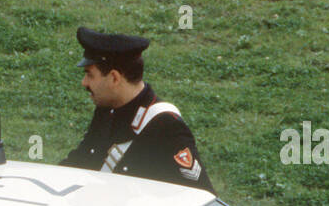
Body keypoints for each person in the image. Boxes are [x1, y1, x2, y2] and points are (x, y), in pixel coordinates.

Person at [61, 26, 214, 193]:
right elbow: (79, 162)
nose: (84, 82)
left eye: (89, 74)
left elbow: (199, 196)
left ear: (114, 78)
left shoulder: (165, 125)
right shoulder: (106, 109)